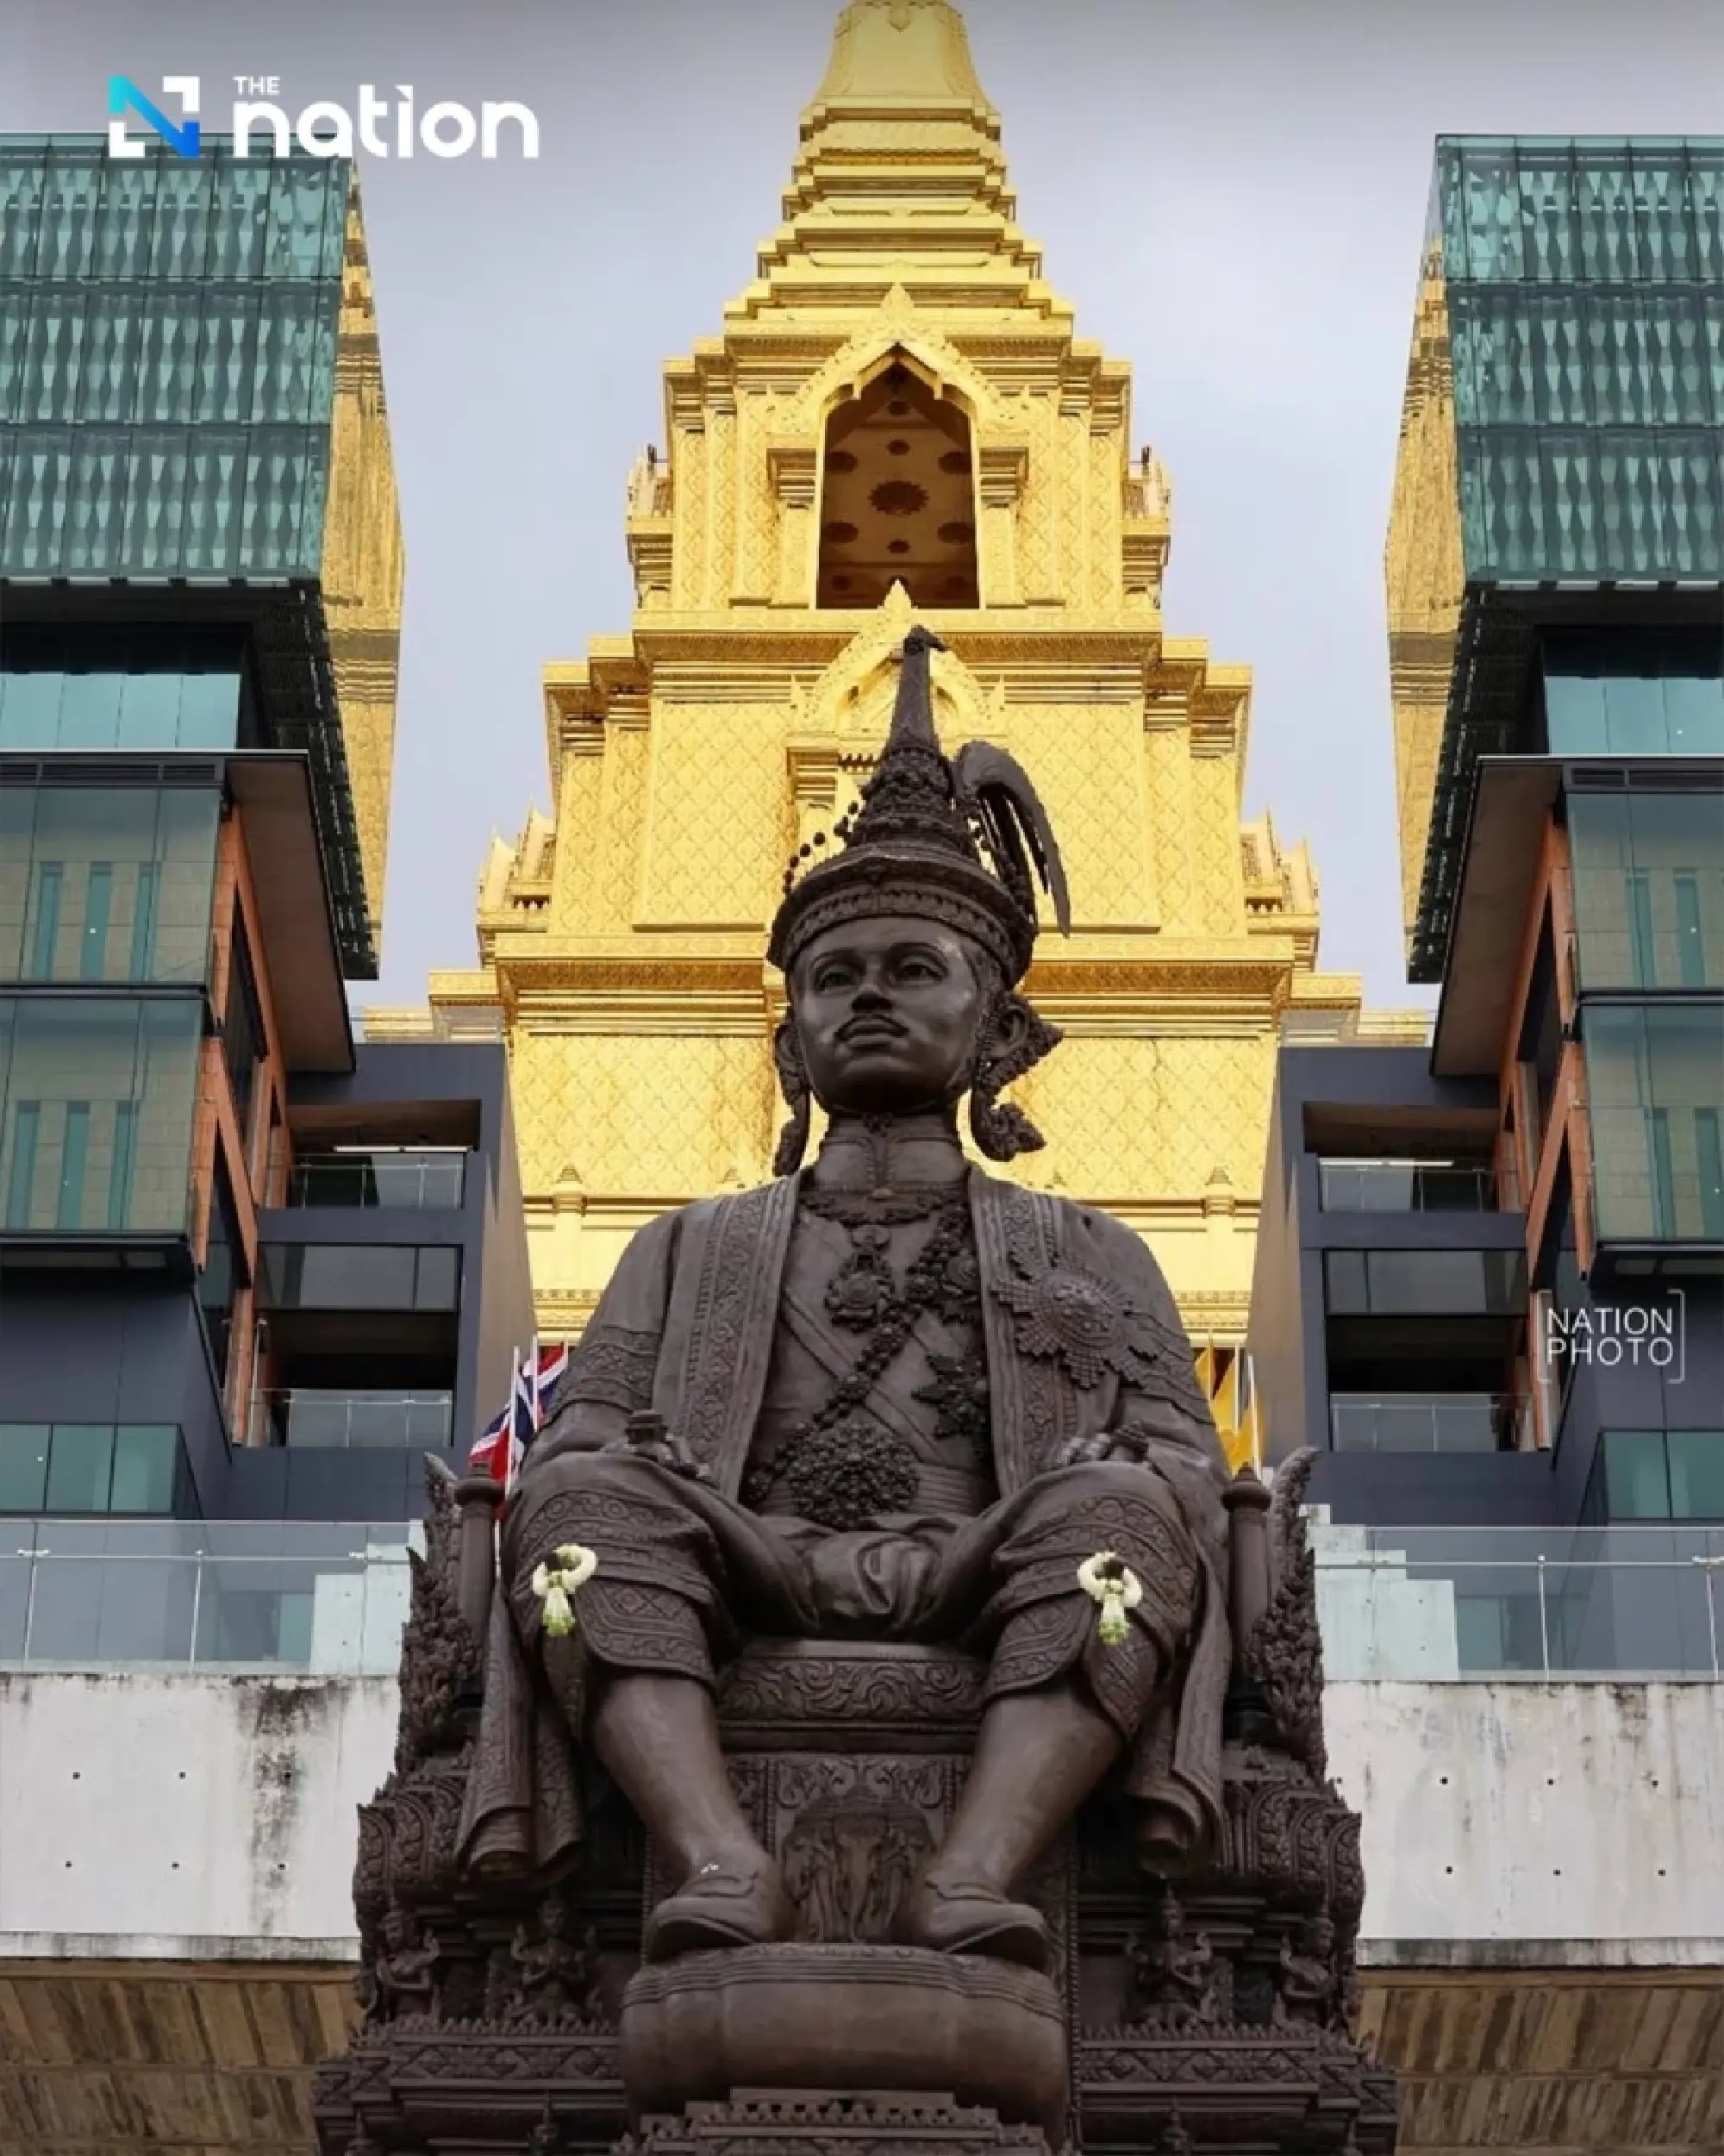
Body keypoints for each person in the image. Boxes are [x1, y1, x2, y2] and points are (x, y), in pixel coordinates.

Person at [459, 627, 1230, 1975]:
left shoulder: (1090, 1249)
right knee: (576, 1513)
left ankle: (977, 1874)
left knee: (1130, 1514)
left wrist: (1103, 1475)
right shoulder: (688, 1247)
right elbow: (579, 1435)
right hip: (736, 1559)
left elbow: (1183, 1455)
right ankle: (715, 1858)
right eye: (836, 975)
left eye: (914, 967)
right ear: (791, 1039)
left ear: (995, 1032)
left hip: (998, 1559)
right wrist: (672, 1489)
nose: (870, 991)